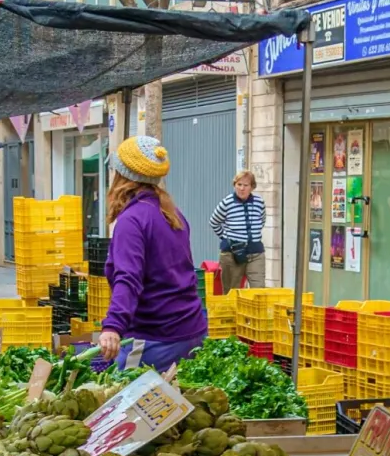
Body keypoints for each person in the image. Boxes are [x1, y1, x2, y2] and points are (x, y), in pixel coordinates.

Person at [97, 135, 207, 372]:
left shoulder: (132, 220)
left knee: (131, 405)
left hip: (155, 338)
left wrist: (113, 326)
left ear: (121, 176)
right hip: (190, 330)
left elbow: (128, 277)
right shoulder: (172, 213)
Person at [210, 170, 266, 290]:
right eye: (239, 185)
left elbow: (261, 220)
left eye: (245, 185)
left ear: (252, 187)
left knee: (259, 291)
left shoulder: (259, 202)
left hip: (255, 253)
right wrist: (226, 239)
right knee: (232, 292)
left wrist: (252, 237)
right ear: (234, 185)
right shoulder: (227, 202)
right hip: (232, 254)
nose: (242, 188)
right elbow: (214, 222)